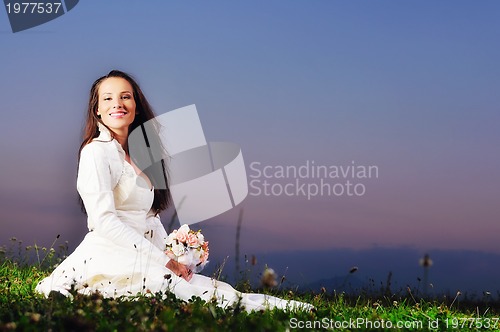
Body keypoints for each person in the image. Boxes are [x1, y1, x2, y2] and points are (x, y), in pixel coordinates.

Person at [35, 70, 312, 312]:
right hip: (113, 253)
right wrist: (164, 261)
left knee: (215, 291)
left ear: (136, 105)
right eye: (107, 98)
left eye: (125, 97)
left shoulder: (140, 153)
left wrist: (177, 254)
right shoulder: (96, 152)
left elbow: (150, 217)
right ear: (96, 109)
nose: (117, 104)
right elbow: (105, 221)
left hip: (146, 251)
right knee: (182, 295)